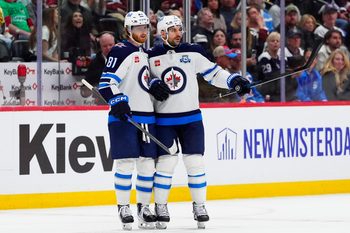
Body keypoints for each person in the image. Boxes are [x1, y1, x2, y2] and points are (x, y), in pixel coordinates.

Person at [147, 15, 251, 229]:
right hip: (164, 120)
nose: (179, 33)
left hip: (191, 118)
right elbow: (142, 78)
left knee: (195, 163)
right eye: (174, 30)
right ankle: (160, 206)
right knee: (166, 164)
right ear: (163, 33)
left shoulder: (193, 51)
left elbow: (213, 74)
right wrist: (153, 83)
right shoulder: (150, 56)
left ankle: (200, 205)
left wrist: (234, 80)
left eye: (180, 29)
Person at [97, 11, 157, 230]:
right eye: (138, 28)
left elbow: (142, 83)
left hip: (147, 116)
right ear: (128, 30)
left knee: (147, 164)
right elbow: (105, 84)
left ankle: (143, 207)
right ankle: (123, 207)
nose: (143, 32)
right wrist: (119, 100)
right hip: (123, 116)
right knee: (125, 163)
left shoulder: (146, 54)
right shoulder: (120, 51)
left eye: (145, 28)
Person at [80, 32, 115, 99]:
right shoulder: (95, 63)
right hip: (102, 102)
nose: (108, 48)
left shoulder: (123, 59)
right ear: (100, 47)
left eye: (110, 45)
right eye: (105, 46)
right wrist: (90, 89)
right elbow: (84, 90)